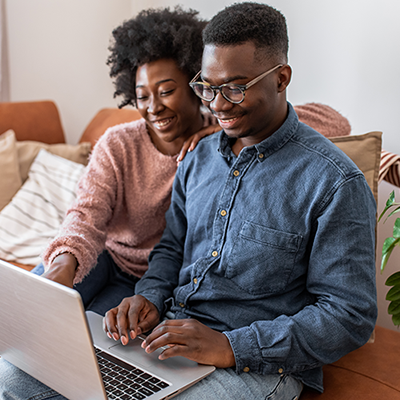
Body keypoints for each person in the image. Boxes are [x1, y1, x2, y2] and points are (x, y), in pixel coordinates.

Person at [101, 3, 377, 399]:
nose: (216, 105)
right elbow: (172, 248)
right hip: (170, 334)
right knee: (15, 377)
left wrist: (230, 346)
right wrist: (148, 296)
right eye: (207, 87)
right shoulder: (197, 158)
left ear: (281, 79)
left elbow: (349, 315)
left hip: (258, 367)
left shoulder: (334, 182)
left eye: (235, 87)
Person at [30, 7, 218, 316]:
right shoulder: (118, 143)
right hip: (101, 256)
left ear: (197, 84)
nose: (154, 107)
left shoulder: (225, 143)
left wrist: (221, 125)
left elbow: (321, 121)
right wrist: (63, 264)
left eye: (167, 91)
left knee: (93, 346)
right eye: (143, 96)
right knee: (31, 319)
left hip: (151, 282)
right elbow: (86, 215)